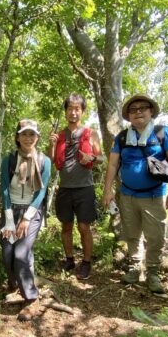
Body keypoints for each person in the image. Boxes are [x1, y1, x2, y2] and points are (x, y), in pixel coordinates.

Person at [103, 94, 168, 293]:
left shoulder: (162, 133)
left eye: (142, 108)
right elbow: (113, 164)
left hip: (154, 195)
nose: (138, 112)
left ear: (151, 111)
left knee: (156, 236)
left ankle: (153, 272)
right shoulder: (122, 137)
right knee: (132, 234)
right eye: (133, 109)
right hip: (128, 195)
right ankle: (135, 267)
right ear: (128, 115)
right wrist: (107, 191)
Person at [47, 94, 103, 280]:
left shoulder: (90, 133)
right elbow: (50, 160)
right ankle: (69, 259)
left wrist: (92, 157)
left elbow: (101, 158)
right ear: (65, 111)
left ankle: (86, 263)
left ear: (82, 111)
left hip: (84, 187)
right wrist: (51, 144)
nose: (73, 112)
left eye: (77, 109)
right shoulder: (59, 135)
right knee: (66, 226)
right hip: (65, 188)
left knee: (84, 226)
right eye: (70, 108)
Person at [1, 119, 51, 321]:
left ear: (37, 137)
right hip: (10, 210)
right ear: (17, 137)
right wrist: (9, 220)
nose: (28, 138)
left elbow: (41, 192)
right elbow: (5, 188)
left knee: (21, 254)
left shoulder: (44, 161)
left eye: (32, 134)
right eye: (24, 134)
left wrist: (26, 218)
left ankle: (32, 299)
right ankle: (16, 285)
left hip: (32, 212)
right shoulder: (9, 159)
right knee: (7, 254)